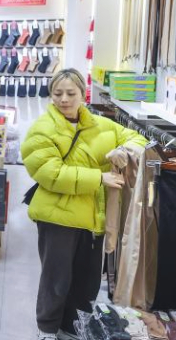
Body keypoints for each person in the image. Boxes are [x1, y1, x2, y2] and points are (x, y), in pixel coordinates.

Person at [21, 69, 146, 340]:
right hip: (57, 217)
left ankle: (73, 328)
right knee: (56, 281)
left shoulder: (102, 126)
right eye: (58, 93)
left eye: (71, 93)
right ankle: (47, 329)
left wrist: (124, 151)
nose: (64, 99)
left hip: (93, 219)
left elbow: (139, 139)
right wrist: (98, 177)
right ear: (51, 95)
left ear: (83, 94)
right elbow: (49, 173)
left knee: (87, 282)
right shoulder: (42, 129)